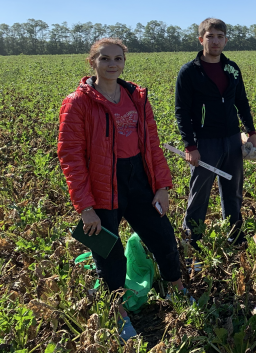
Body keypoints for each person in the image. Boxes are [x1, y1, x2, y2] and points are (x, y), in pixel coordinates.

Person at [57, 38, 188, 342]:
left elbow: (152, 146)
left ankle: (178, 291)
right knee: (109, 256)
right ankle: (120, 314)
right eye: (105, 59)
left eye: (118, 59)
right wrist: (85, 207)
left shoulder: (137, 98)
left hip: (139, 181)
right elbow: (71, 157)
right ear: (93, 63)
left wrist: (162, 186)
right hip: (103, 187)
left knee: (164, 238)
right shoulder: (77, 102)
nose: (112, 64)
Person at [175, 18, 256, 250]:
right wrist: (190, 146)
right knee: (199, 192)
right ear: (201, 39)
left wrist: (250, 133)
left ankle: (235, 235)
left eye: (220, 36)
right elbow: (181, 111)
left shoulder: (232, 68)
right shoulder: (190, 72)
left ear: (226, 40)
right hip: (205, 142)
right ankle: (193, 240)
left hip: (232, 139)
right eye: (210, 36)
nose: (215, 41)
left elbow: (241, 102)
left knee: (233, 191)